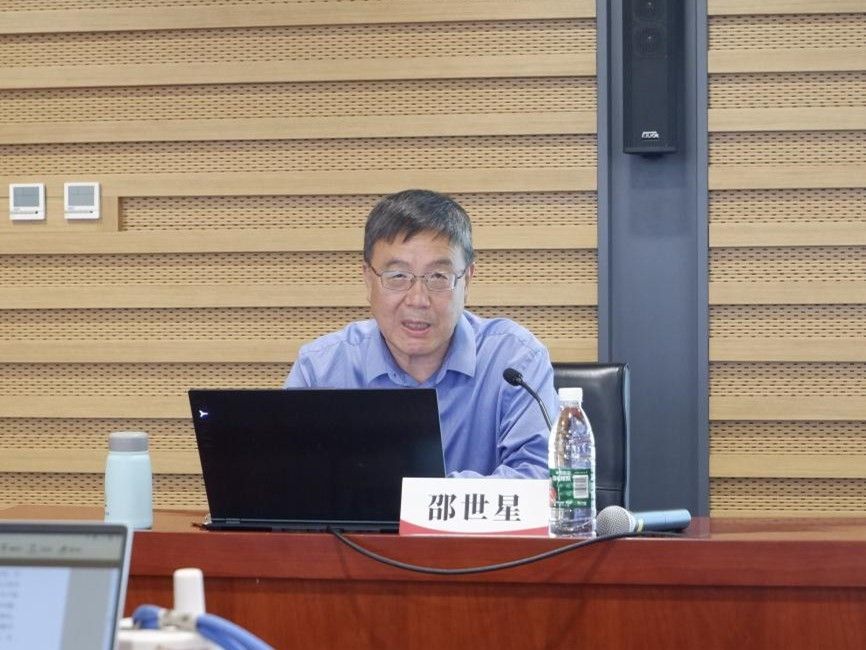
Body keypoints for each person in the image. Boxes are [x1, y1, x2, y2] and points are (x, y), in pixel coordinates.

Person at [284, 189, 556, 478]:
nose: (417, 299)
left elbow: (541, 479)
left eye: (438, 277)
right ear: (368, 279)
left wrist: (417, 497)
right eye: (397, 276)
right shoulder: (321, 369)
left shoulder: (515, 361)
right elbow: (286, 480)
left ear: (467, 280)